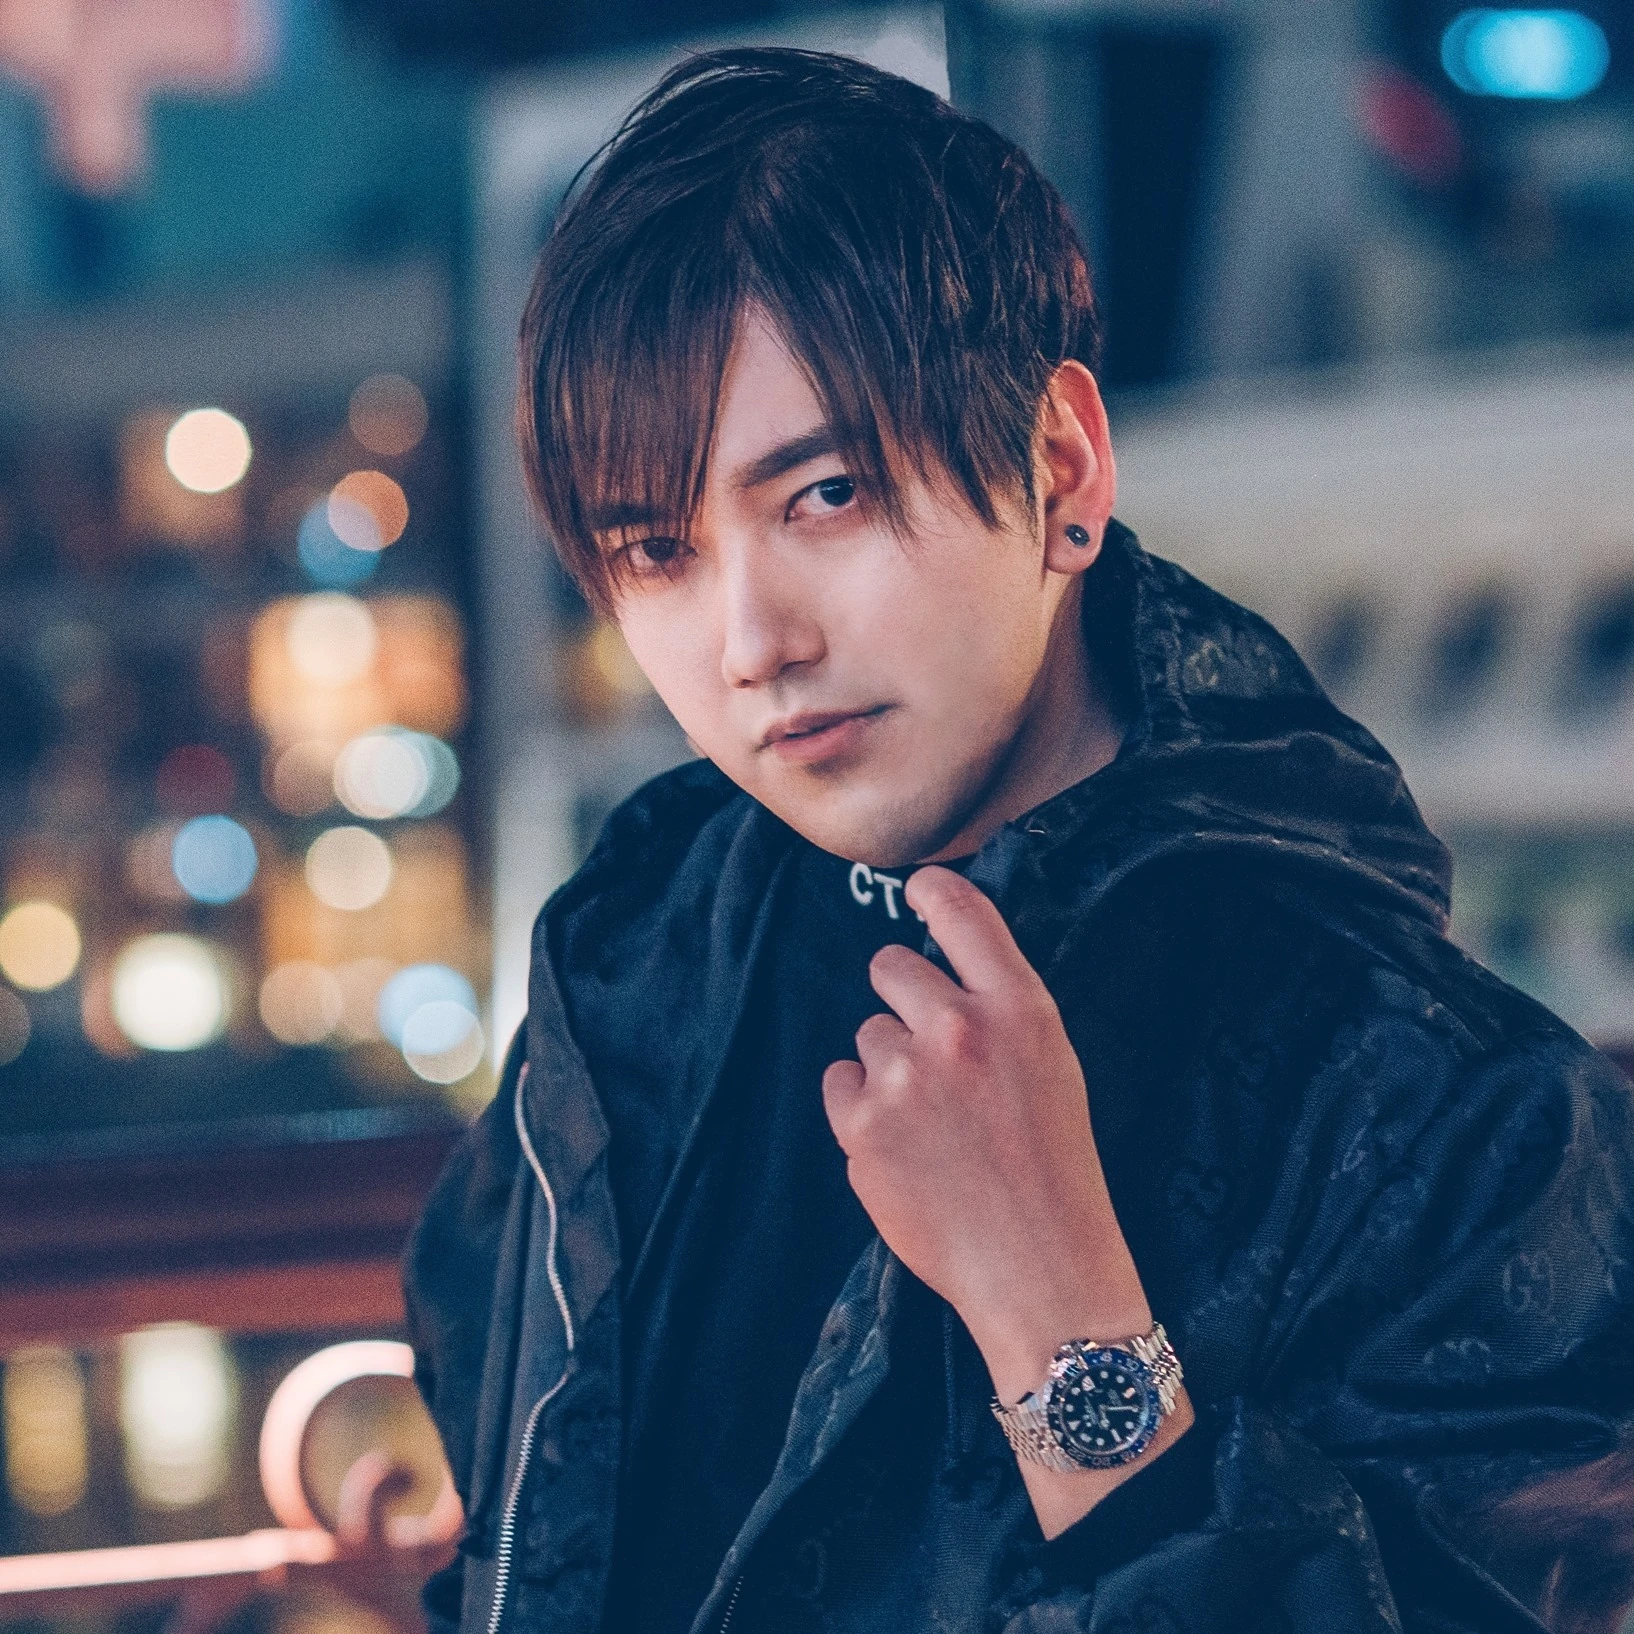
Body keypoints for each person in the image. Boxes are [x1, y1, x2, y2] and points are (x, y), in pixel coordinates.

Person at [405, 47, 1634, 1634]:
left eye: (824, 494)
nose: (751, 641)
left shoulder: (1452, 1117)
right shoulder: (632, 962)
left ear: (1059, 466)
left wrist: (1062, 1321)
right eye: (657, 548)